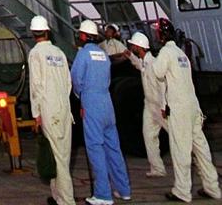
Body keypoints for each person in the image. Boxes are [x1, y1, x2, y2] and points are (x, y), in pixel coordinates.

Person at [151, 18, 220, 203]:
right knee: (201, 149)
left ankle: (182, 191)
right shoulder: (181, 54)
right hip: (192, 107)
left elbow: (158, 73)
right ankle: (212, 187)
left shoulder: (166, 52)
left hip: (180, 109)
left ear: (161, 35)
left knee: (181, 150)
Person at [70, 19, 131, 205]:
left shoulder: (83, 55)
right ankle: (124, 189)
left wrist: (82, 99)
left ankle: (103, 195)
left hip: (92, 103)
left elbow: (76, 80)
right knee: (113, 147)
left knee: (95, 148)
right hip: (107, 103)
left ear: (82, 36)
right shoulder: (103, 54)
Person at [28, 15, 75, 205]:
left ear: (33, 33)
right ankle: (57, 196)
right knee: (61, 154)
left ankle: (67, 200)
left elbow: (36, 86)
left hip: (49, 109)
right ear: (47, 31)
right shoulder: (59, 53)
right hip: (64, 108)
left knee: (59, 158)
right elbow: (68, 82)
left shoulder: (35, 54)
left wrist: (36, 113)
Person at [126, 31, 167, 178]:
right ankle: (157, 168)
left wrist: (163, 106)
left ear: (139, 46)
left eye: (133, 46)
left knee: (175, 136)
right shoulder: (145, 62)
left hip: (158, 106)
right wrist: (130, 57)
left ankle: (193, 156)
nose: (132, 47)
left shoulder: (154, 63)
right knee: (149, 136)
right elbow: (140, 67)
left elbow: (162, 86)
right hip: (149, 105)